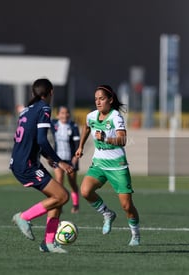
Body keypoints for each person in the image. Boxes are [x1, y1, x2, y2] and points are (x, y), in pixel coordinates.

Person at [10, 78, 74, 253]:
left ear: (33, 93)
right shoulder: (44, 108)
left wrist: (47, 157)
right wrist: (59, 161)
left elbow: (32, 140)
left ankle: (49, 243)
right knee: (63, 196)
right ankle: (24, 217)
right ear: (51, 92)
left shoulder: (26, 111)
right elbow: (41, 140)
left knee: (58, 198)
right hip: (27, 165)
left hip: (21, 162)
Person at [75, 85, 141, 246]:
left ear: (110, 100)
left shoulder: (115, 117)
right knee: (85, 191)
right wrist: (81, 146)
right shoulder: (91, 116)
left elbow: (123, 140)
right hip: (99, 163)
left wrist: (106, 139)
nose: (98, 102)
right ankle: (107, 213)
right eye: (96, 98)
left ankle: (135, 234)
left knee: (126, 205)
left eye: (102, 98)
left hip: (117, 165)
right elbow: (86, 128)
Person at [51, 106, 81, 213]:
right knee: (59, 182)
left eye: (66, 113)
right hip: (58, 159)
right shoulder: (54, 124)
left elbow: (78, 144)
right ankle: (60, 205)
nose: (65, 115)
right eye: (62, 113)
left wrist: (76, 157)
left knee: (72, 182)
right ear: (58, 115)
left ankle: (76, 204)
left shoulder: (73, 126)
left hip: (70, 159)